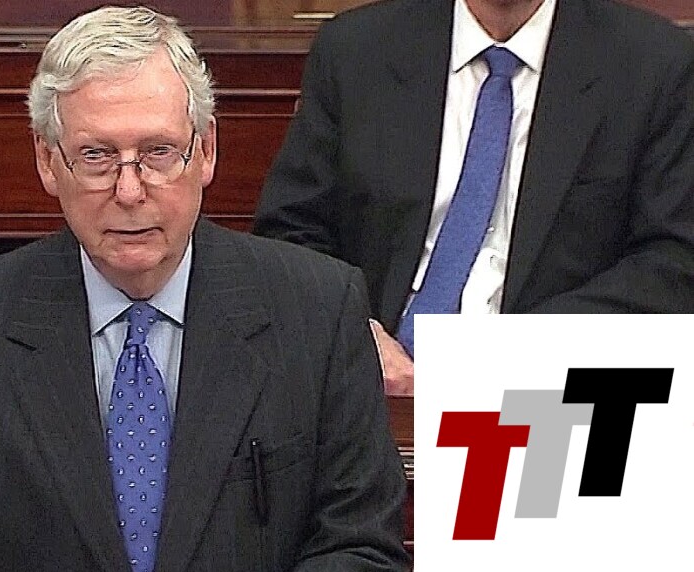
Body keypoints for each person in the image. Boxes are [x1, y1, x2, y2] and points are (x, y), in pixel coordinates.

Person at [0, 6, 410, 572]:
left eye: (158, 152)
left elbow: (363, 545)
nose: (129, 191)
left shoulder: (318, 308)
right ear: (48, 161)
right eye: (96, 156)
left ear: (206, 151)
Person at [253, 0, 694, 396]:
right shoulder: (356, 48)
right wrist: (353, 335)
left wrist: (501, 355)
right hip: (373, 383)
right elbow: (290, 230)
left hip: (549, 386)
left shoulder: (655, 62)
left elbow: (673, 260)